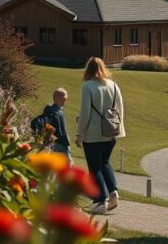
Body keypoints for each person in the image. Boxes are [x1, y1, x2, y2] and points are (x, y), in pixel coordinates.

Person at [76, 57, 125, 215]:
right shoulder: (114, 85)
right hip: (111, 132)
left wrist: (79, 134)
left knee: (94, 167)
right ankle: (113, 192)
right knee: (105, 163)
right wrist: (118, 129)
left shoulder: (87, 86)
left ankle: (100, 200)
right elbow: (120, 110)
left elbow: (85, 113)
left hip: (93, 133)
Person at [31, 88, 72, 161]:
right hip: (60, 145)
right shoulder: (57, 112)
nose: (65, 101)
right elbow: (61, 132)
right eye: (64, 98)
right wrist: (66, 142)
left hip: (51, 144)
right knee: (69, 169)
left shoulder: (49, 110)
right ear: (58, 98)